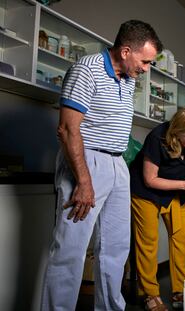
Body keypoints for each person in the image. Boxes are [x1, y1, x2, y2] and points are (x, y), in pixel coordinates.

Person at [40, 20, 163, 311]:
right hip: (86, 162)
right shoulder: (87, 69)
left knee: (116, 249)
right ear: (125, 51)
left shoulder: (129, 78)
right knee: (71, 250)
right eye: (145, 61)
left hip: (117, 164)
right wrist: (83, 181)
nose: (147, 68)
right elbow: (68, 130)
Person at [129, 108, 185, 311]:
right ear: (177, 133)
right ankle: (150, 294)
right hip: (145, 192)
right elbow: (150, 179)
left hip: (176, 189)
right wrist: (184, 186)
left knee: (183, 235)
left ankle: (180, 290)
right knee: (148, 240)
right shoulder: (157, 138)